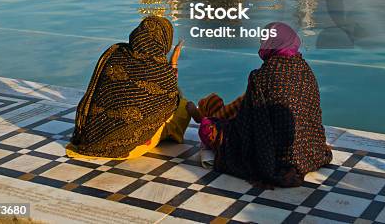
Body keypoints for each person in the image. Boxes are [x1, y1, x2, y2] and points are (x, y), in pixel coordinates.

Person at [188, 22, 332, 187]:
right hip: (308, 150)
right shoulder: (305, 69)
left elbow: (246, 124)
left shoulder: (262, 76)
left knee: (207, 127)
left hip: (273, 156)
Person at [67, 16, 190, 160]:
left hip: (91, 138)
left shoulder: (116, 53)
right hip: (128, 148)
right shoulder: (159, 69)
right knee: (183, 106)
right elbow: (171, 96)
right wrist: (173, 63)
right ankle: (166, 137)